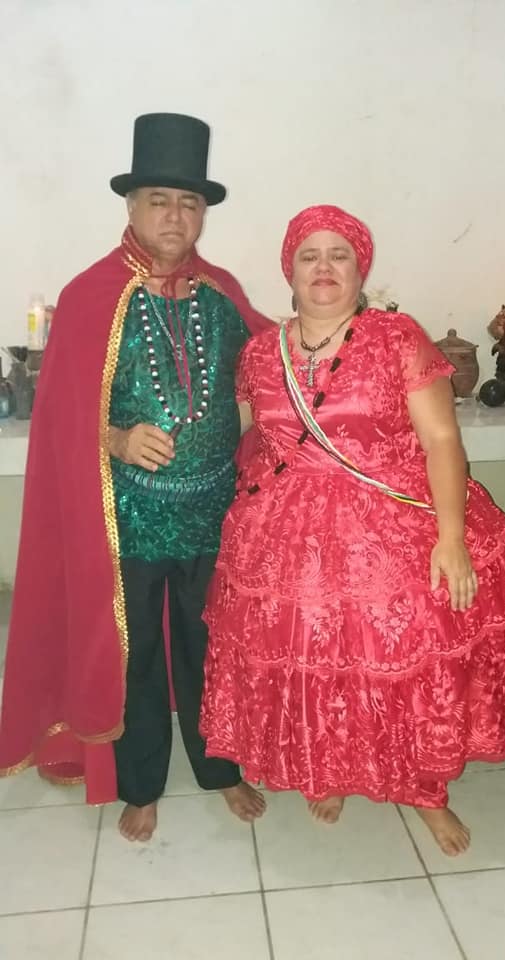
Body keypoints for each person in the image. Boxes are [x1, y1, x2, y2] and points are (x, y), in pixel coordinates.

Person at [200, 204, 505, 856]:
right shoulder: (260, 352)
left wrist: (451, 538)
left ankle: (424, 790)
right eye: (309, 256)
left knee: (399, 664)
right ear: (289, 271)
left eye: (340, 256)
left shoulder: (396, 338)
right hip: (290, 536)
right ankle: (332, 768)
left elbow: (442, 441)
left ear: (361, 270)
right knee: (319, 663)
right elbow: (243, 434)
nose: (323, 268)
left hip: (391, 522)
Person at [0, 113, 270, 841]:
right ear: (131, 206)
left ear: (203, 213)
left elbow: (268, 374)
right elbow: (60, 414)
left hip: (214, 514)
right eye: (159, 201)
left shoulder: (221, 292)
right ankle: (141, 783)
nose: (175, 217)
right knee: (138, 653)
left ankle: (220, 769)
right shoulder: (91, 295)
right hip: (130, 521)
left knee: (211, 645)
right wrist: (116, 438)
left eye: (189, 203)